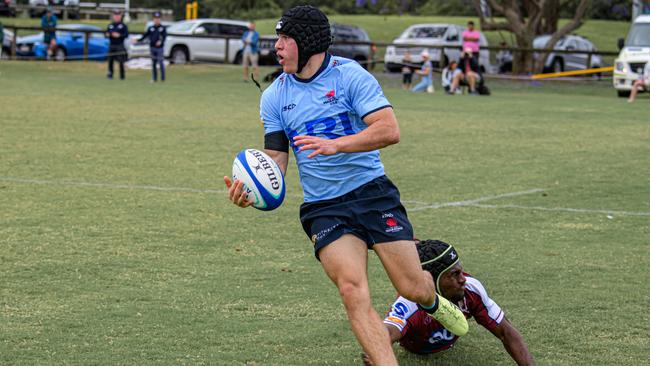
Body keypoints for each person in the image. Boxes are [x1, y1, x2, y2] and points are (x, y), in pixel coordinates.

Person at [223, 5, 468, 365]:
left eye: (285, 38)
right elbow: (275, 160)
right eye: (278, 38)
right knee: (352, 290)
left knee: (411, 287)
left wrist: (338, 144)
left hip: (372, 193)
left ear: (307, 43)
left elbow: (389, 130)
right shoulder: (274, 95)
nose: (277, 46)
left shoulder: (350, 76)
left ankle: (432, 303)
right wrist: (253, 191)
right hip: (326, 209)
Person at [363, 239, 535, 366]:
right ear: (433, 280)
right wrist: (376, 347)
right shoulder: (409, 303)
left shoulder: (471, 289)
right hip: (416, 349)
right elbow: (388, 331)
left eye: (461, 271)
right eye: (454, 274)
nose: (463, 280)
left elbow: (506, 331)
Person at [135, 11, 167, 82]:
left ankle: (162, 79)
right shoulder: (150, 28)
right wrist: (138, 40)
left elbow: (164, 37)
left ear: (160, 19)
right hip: (152, 48)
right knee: (153, 64)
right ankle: (154, 78)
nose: (157, 20)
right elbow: (145, 36)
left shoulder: (162, 28)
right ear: (153, 19)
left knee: (161, 63)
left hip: (160, 49)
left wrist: (160, 42)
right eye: (155, 18)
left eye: (158, 18)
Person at [105, 9, 129, 80]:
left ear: (120, 16)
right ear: (113, 16)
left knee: (121, 61)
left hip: (120, 45)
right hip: (112, 45)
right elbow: (106, 33)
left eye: (118, 15)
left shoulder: (123, 25)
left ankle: (122, 76)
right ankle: (110, 75)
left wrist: (119, 35)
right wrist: (108, 34)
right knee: (110, 61)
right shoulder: (110, 25)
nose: (117, 17)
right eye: (115, 15)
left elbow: (126, 35)